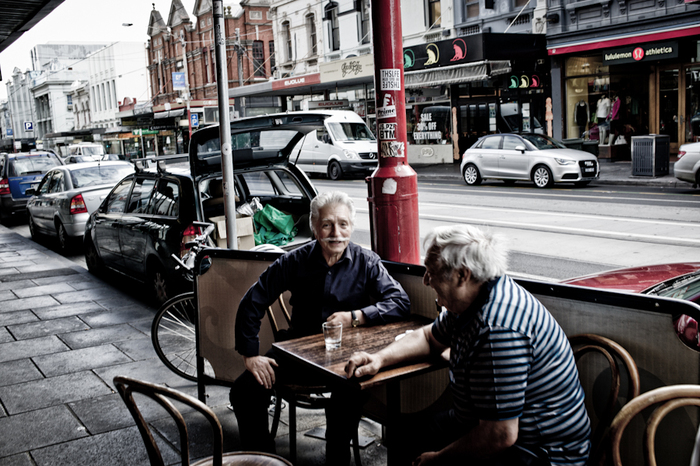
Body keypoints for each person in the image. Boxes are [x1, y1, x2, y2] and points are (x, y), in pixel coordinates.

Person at [345, 225, 591, 466]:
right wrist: (379, 358)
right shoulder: (473, 295)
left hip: (539, 452)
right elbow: (429, 338)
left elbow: (500, 436)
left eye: (432, 272)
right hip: (484, 426)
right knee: (404, 435)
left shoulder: (497, 330)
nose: (425, 280)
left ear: (462, 275)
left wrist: (440, 458)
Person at [231, 191, 410, 465]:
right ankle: (263, 458)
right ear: (315, 227)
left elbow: (399, 301)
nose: (335, 233)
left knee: (350, 393)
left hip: (345, 358)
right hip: (298, 353)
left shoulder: (366, 261)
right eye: (327, 224)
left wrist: (356, 316)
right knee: (245, 390)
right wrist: (251, 355)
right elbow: (253, 300)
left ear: (351, 226)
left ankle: (337, 460)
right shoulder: (295, 260)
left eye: (343, 224)